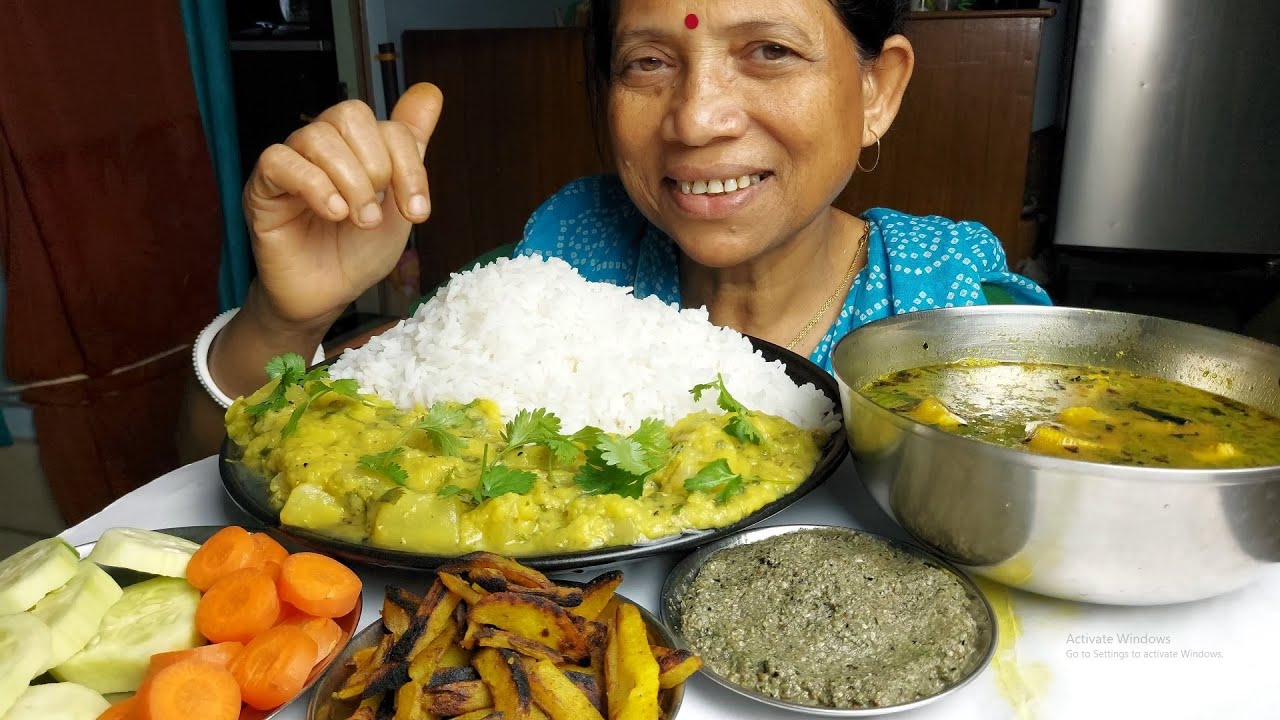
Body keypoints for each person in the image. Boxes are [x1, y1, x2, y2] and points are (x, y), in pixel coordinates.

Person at [178, 0, 1050, 462]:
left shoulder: (957, 303)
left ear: (877, 91)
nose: (698, 118)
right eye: (648, 63)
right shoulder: (561, 256)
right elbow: (219, 476)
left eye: (769, 51)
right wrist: (284, 321)